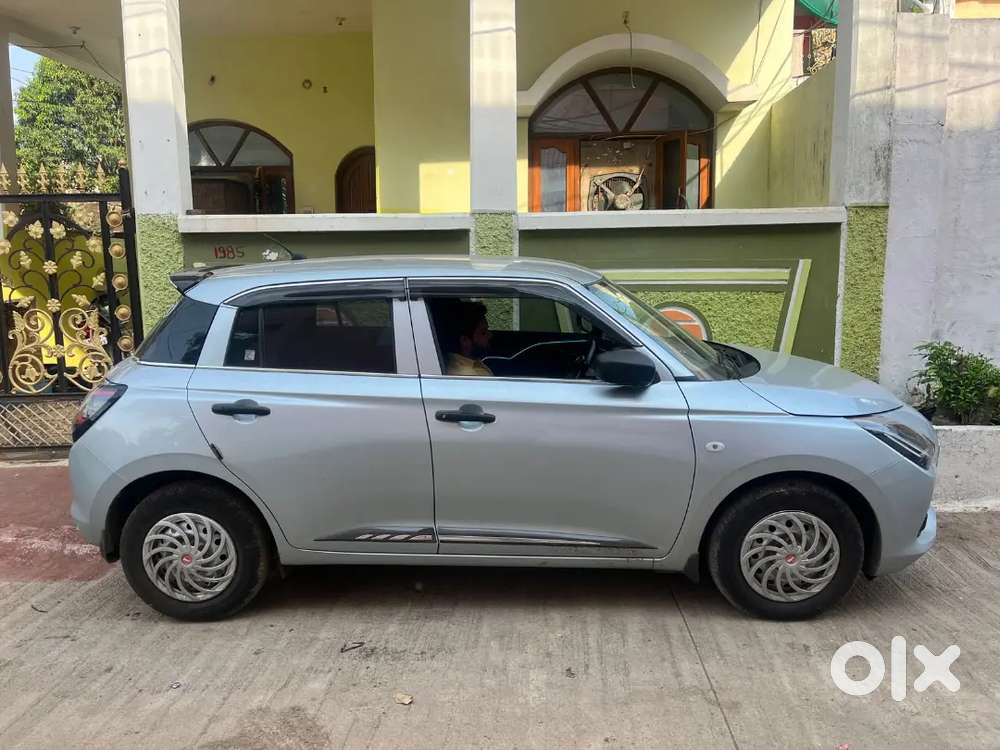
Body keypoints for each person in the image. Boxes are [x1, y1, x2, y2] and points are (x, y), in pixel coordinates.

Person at [445, 300, 494, 376]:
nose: (490, 335)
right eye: (483, 333)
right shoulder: (469, 375)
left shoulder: (472, 363)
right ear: (464, 341)